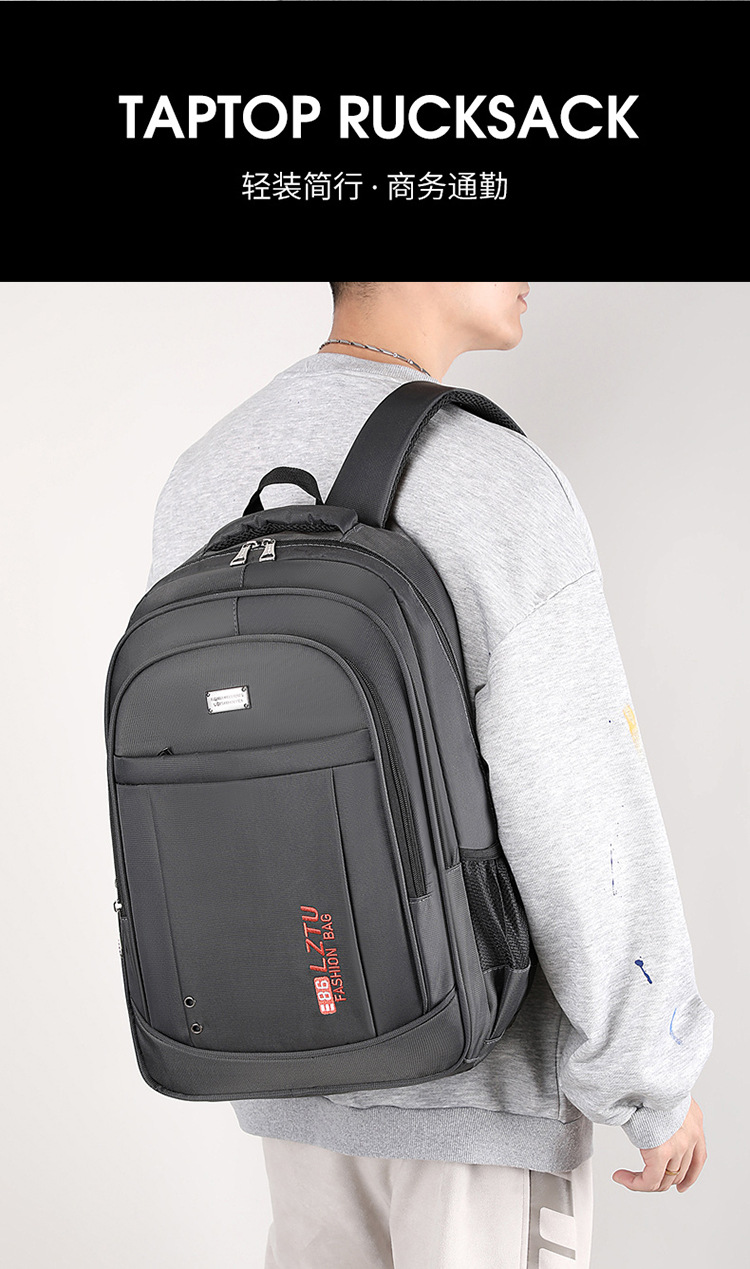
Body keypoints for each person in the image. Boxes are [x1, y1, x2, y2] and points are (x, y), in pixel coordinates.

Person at [146, 282, 714, 1268]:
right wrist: (649, 1075)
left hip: (287, 1072)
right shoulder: (491, 479)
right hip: (480, 1096)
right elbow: (580, 810)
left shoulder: (203, 477)